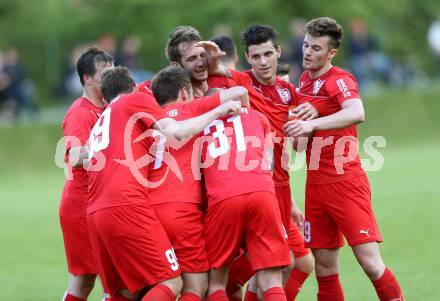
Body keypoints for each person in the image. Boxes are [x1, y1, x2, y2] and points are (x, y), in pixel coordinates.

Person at [86, 66, 243, 301]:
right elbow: (177, 132)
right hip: (134, 205)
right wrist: (218, 110)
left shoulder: (102, 121)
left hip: (97, 213)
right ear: (134, 88)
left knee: (126, 292)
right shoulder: (136, 100)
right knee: (177, 282)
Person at [283, 17, 403, 301]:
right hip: (316, 185)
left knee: (370, 263)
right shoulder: (303, 81)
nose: (308, 52)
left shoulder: (340, 79)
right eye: (305, 45)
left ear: (331, 53)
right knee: (324, 266)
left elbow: (356, 112)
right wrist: (294, 126)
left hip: (345, 182)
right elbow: (301, 145)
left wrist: (313, 123)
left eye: (316, 48)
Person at [209, 24, 316, 301]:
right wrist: (205, 52)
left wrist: (303, 131)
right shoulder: (242, 82)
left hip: (281, 186)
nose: (263, 62)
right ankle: (215, 288)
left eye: (268, 54)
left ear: (279, 52)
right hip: (257, 186)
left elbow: (299, 146)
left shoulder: (288, 93)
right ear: (247, 58)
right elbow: (214, 70)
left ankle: (222, 288)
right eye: (255, 57)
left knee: (297, 264)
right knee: (279, 265)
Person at [147, 65, 249, 301]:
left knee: (162, 283)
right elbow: (237, 93)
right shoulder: (189, 108)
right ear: (184, 92)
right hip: (181, 208)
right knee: (197, 284)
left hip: (149, 210)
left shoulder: (150, 121)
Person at [201, 96, 291, 301]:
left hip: (223, 198)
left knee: (216, 282)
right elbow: (269, 164)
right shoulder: (260, 117)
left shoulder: (201, 125)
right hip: (262, 191)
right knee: (271, 279)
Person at [58, 47, 114, 301]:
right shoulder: (81, 112)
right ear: (87, 79)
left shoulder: (105, 108)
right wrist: (106, 146)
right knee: (108, 281)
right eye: (105, 74)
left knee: (85, 281)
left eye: (113, 72)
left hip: (96, 205)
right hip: (82, 206)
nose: (111, 78)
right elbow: (75, 156)